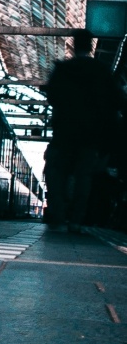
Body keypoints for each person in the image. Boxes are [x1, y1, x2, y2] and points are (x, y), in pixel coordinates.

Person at [44, 30, 119, 229]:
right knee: (83, 176)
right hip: (91, 136)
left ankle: (59, 216)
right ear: (91, 45)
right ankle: (77, 220)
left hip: (64, 134)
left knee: (56, 172)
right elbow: (116, 102)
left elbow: (52, 97)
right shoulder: (102, 71)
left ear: (74, 45)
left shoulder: (62, 69)